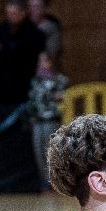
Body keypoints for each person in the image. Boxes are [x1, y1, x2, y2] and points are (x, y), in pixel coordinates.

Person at [0, 0, 45, 107]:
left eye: (14, 14)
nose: (10, 17)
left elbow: (28, 59)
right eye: (8, 13)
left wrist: (4, 51)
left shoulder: (34, 34)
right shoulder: (1, 29)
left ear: (23, 13)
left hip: (21, 86)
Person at [25, 52, 69, 191]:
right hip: (38, 120)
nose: (41, 64)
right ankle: (45, 182)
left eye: (44, 60)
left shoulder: (60, 80)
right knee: (39, 151)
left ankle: (57, 181)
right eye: (39, 61)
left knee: (52, 150)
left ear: (51, 62)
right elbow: (32, 100)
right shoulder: (35, 81)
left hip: (52, 119)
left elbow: (63, 97)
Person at [28, 0, 63, 66]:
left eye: (36, 7)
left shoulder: (50, 28)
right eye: (29, 6)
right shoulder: (22, 26)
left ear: (45, 9)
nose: (32, 10)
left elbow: (51, 56)